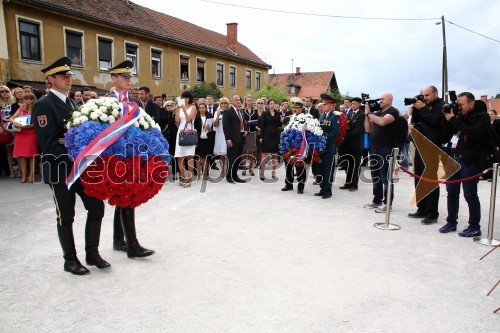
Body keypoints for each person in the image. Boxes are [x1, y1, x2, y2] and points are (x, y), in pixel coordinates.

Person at [32, 56, 108, 275]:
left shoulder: (72, 103)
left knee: (96, 207)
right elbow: (48, 143)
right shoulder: (44, 105)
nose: (68, 79)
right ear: (50, 79)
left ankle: (92, 254)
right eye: (63, 76)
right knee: (66, 215)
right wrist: (75, 148)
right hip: (59, 169)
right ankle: (70, 260)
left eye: (69, 75)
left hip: (79, 167)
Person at [108, 60, 155, 258]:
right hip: (115, 156)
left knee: (125, 197)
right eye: (124, 77)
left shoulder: (134, 103)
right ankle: (132, 245)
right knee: (126, 197)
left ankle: (119, 240)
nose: (128, 80)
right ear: (114, 78)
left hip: (132, 155)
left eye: (129, 77)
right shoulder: (106, 102)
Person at [439, 92, 490, 237]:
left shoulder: (482, 117)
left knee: (470, 194)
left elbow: (472, 132)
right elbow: (444, 133)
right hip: (453, 157)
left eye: (461, 104)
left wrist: (454, 119)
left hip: (469, 161)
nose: (459, 107)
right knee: (451, 192)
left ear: (471, 104)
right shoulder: (460, 117)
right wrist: (447, 117)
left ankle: (474, 226)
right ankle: (451, 222)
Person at [407, 86, 444, 224]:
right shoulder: (424, 106)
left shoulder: (442, 105)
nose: (426, 98)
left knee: (431, 180)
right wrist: (416, 109)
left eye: (428, 95)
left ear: (436, 93)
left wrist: (422, 108)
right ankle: (421, 208)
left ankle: (432, 213)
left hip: (433, 146)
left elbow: (436, 122)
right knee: (419, 178)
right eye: (424, 95)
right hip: (420, 144)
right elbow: (416, 121)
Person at [363, 93, 399, 212]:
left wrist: (370, 114)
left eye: (383, 99)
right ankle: (376, 200)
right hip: (374, 149)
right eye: (380, 99)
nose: (380, 101)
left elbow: (383, 122)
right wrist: (367, 115)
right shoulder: (377, 113)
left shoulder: (392, 112)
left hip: (385, 149)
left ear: (390, 100)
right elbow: (368, 129)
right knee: (375, 177)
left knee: (385, 178)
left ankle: (387, 203)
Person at [314, 94, 341, 199]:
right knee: (320, 168)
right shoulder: (322, 116)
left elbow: (336, 132)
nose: (323, 105)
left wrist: (324, 138)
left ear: (332, 105)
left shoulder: (335, 116)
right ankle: (322, 188)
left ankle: (327, 191)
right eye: (323, 103)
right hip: (320, 147)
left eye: (325, 104)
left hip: (328, 147)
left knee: (327, 169)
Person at [10, 92, 38, 183]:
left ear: (32, 100)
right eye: (24, 99)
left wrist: (25, 126)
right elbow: (11, 118)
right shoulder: (21, 108)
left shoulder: (36, 109)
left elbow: (36, 124)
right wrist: (14, 122)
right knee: (21, 155)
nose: (24, 100)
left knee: (31, 155)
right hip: (20, 134)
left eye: (27, 99)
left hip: (31, 133)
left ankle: (31, 175)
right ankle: (24, 174)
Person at [339, 97, 365, 192]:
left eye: (355, 103)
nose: (353, 105)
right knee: (348, 165)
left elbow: (358, 130)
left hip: (356, 144)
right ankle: (348, 183)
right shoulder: (349, 114)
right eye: (352, 103)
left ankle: (354, 184)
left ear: (359, 104)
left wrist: (345, 136)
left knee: (355, 165)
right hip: (347, 144)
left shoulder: (361, 115)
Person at [281, 97, 307, 194]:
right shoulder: (288, 118)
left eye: (297, 107)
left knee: (300, 166)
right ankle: (288, 184)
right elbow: (283, 130)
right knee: (288, 166)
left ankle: (301, 186)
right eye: (293, 107)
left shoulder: (306, 119)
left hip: (300, 146)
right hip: (288, 146)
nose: (294, 109)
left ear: (301, 108)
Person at [174, 90, 198, 187]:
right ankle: (182, 177)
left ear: (190, 98)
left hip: (189, 133)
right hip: (180, 132)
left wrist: (184, 109)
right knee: (180, 156)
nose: (185, 99)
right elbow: (177, 120)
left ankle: (189, 178)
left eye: (186, 97)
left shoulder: (193, 108)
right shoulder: (179, 108)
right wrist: (177, 110)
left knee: (189, 156)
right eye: (183, 97)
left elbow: (189, 120)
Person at [223, 95, 247, 183]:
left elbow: (244, 122)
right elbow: (226, 127)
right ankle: (229, 176)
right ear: (232, 101)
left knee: (238, 158)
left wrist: (246, 130)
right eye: (236, 100)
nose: (238, 101)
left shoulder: (241, 111)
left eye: (239, 100)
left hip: (241, 137)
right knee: (231, 158)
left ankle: (235, 175)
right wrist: (228, 139)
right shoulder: (227, 112)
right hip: (232, 138)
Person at [259, 99, 281, 180]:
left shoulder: (278, 114)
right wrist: (261, 137)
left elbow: (279, 124)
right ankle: (262, 173)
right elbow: (262, 126)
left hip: (275, 136)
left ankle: (273, 171)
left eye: (273, 103)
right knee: (264, 154)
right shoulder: (264, 113)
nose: (272, 105)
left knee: (275, 155)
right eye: (271, 103)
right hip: (266, 136)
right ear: (268, 105)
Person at [194, 102, 213, 180]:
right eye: (200, 107)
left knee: (205, 158)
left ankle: (205, 174)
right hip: (198, 139)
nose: (201, 109)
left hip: (207, 139)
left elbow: (212, 130)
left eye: (203, 107)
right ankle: (198, 175)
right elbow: (194, 129)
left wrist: (209, 129)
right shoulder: (196, 117)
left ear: (206, 108)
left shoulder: (209, 116)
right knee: (198, 157)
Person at [0, 85, 16, 178]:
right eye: (2, 91)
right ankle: (11, 171)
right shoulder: (0, 104)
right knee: (8, 150)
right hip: (4, 128)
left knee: (17, 149)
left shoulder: (14, 102)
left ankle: (22, 171)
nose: (4, 93)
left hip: (14, 126)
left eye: (6, 91)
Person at [242, 95, 258, 176]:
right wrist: (246, 122)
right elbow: (241, 120)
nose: (249, 102)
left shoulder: (255, 110)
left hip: (252, 132)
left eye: (250, 100)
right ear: (245, 101)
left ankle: (251, 169)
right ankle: (244, 168)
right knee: (244, 151)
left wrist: (253, 122)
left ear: (252, 101)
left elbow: (257, 120)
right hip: (244, 132)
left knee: (251, 151)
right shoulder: (242, 110)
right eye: (247, 100)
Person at [213, 97, 229, 177]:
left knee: (227, 153)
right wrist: (218, 115)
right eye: (222, 103)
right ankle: (222, 170)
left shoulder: (230, 112)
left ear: (228, 104)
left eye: (225, 103)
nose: (223, 104)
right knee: (221, 153)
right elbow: (215, 125)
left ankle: (227, 169)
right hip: (219, 134)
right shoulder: (217, 112)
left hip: (228, 134)